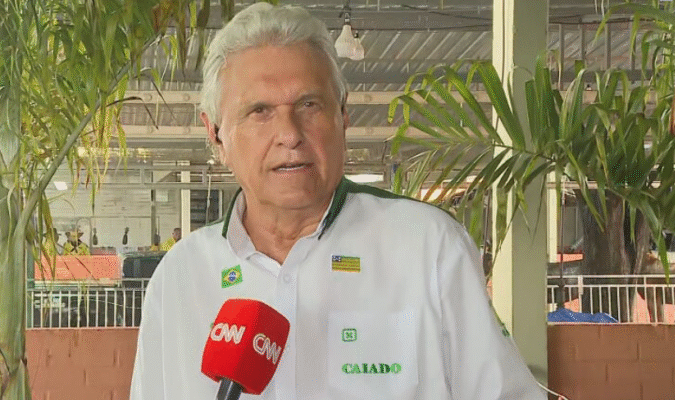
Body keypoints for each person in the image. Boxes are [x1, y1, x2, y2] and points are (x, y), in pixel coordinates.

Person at [131, 4, 545, 399]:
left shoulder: (429, 247)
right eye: (259, 111)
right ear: (215, 133)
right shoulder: (180, 277)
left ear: (343, 116)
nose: (289, 134)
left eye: (309, 105)